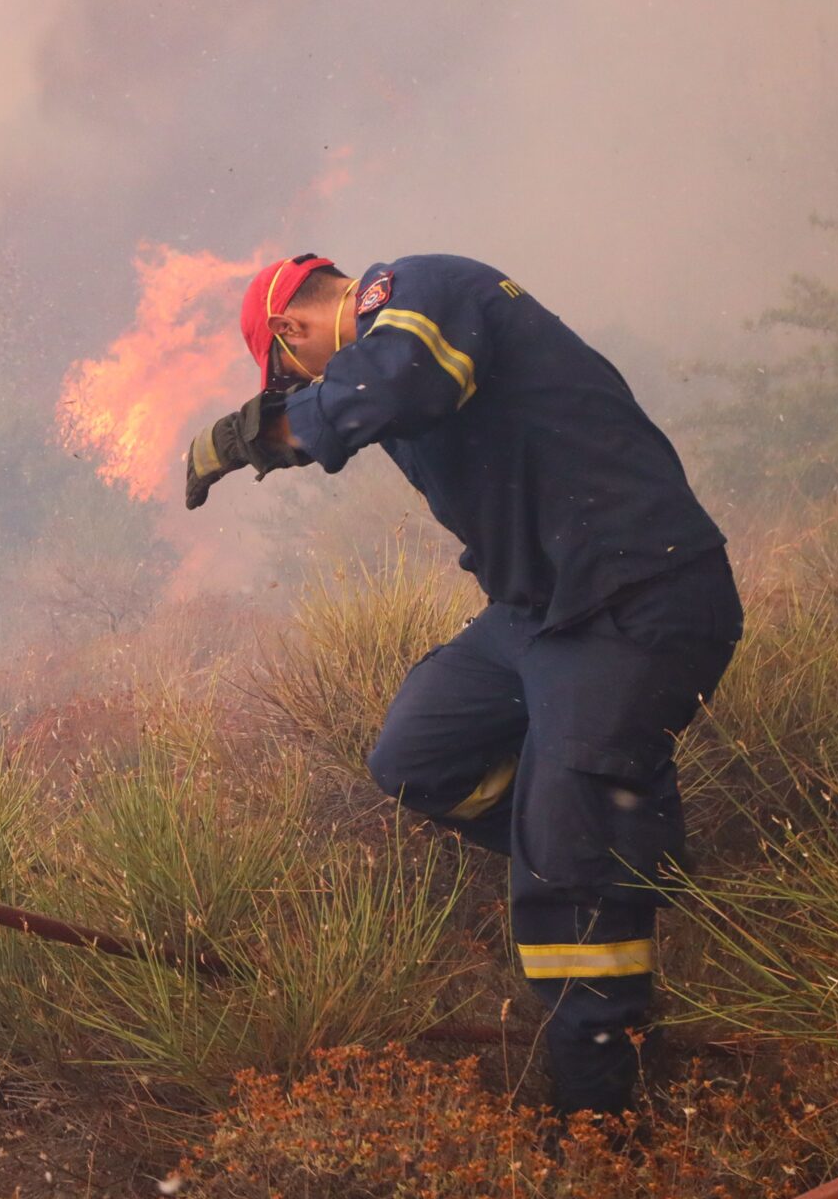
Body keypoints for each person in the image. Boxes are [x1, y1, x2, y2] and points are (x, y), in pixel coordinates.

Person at [184, 252, 740, 1115]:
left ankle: (604, 1125)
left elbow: (399, 383)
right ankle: (617, 846)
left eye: (292, 376)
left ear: (293, 331)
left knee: (561, 874)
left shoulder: (419, 291)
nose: (303, 391)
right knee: (417, 753)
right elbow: (363, 403)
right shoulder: (379, 362)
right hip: (538, 612)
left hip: (639, 600)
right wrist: (278, 433)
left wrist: (254, 433)